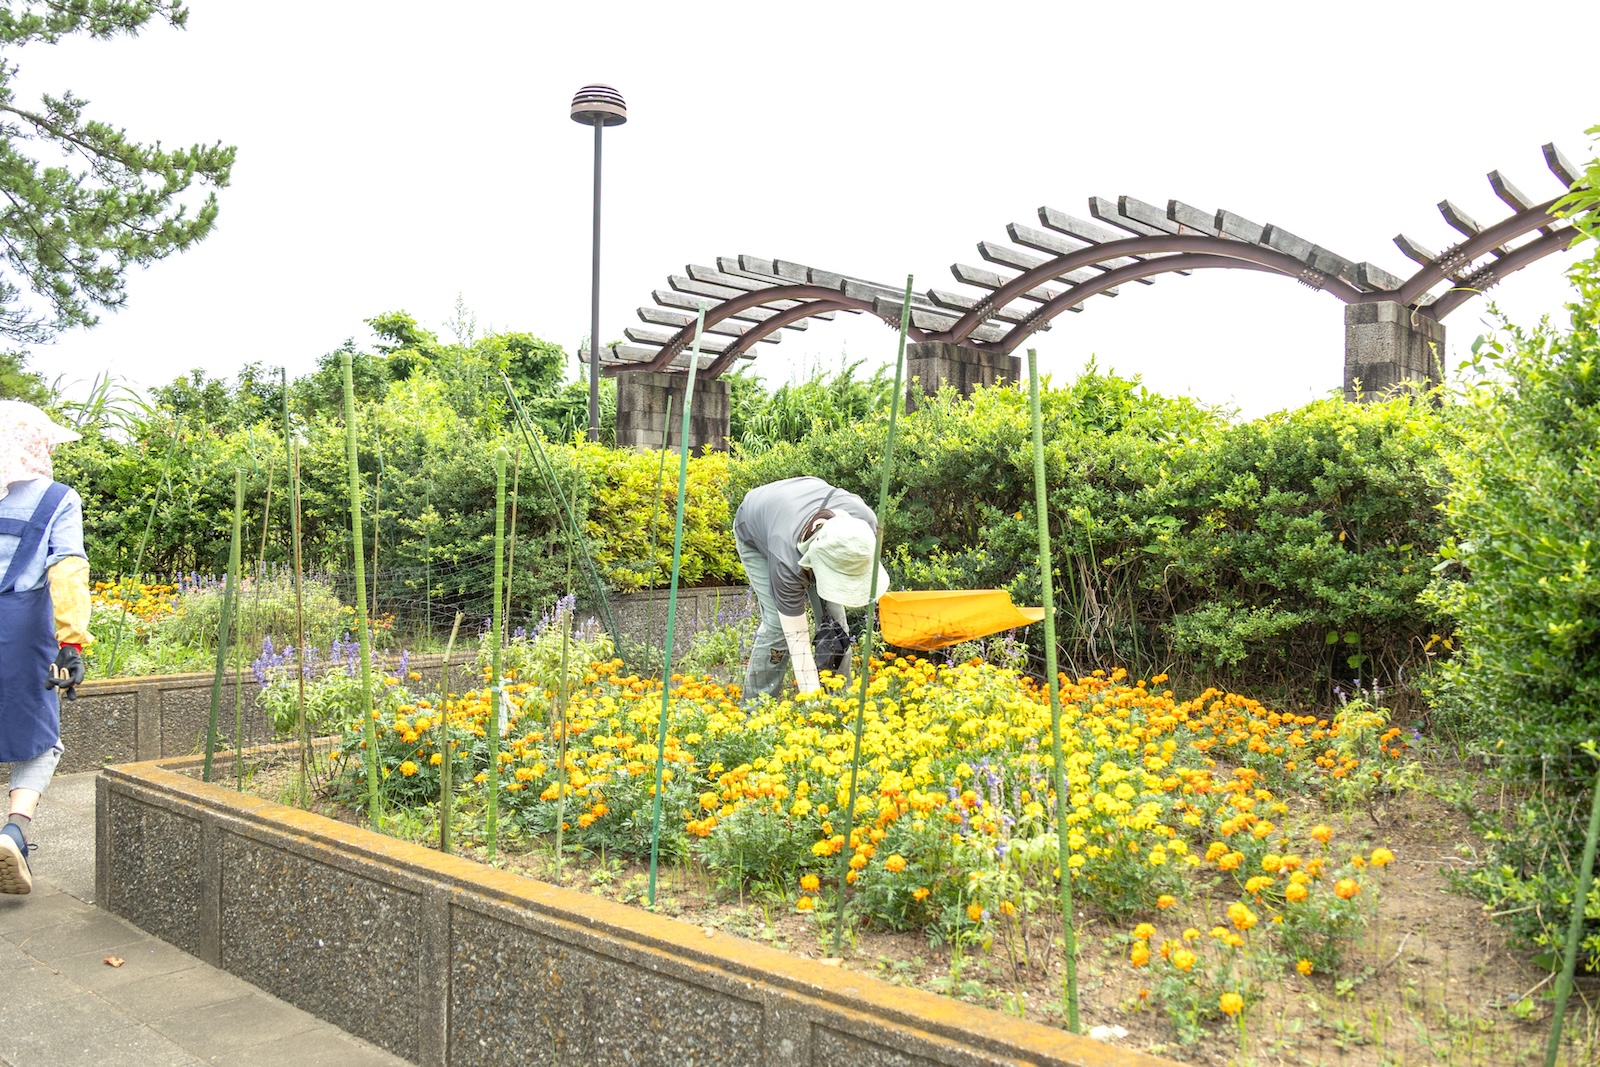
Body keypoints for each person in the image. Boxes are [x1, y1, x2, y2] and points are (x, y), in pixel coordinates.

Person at [0, 401, 92, 896]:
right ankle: (14, 830)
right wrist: (72, 642)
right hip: (17, 630)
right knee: (42, 737)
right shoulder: (56, 498)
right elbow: (67, 568)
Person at [733, 475, 888, 701]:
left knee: (835, 623)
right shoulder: (785, 558)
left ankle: (840, 699)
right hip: (756, 529)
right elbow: (799, 644)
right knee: (777, 628)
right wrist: (813, 708)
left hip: (802, 506)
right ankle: (756, 708)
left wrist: (835, 715)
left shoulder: (864, 524)